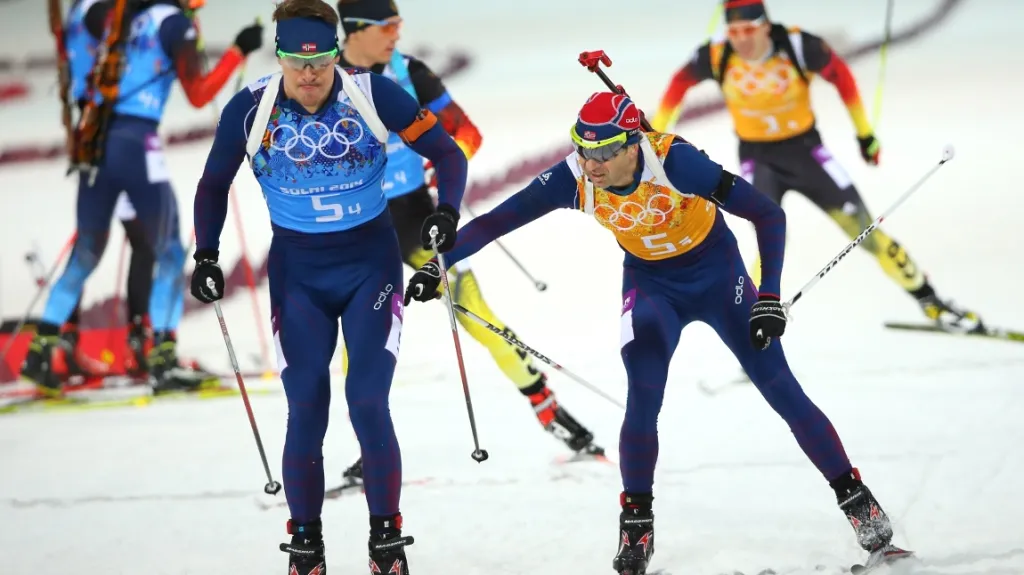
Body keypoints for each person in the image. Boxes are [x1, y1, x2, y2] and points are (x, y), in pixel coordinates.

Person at [403, 91, 912, 574]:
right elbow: (495, 222)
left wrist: (770, 296)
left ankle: (860, 504)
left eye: (602, 152)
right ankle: (636, 528)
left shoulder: (677, 163)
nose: (590, 164)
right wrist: (438, 265)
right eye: (582, 150)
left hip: (720, 277)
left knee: (780, 387)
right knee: (642, 400)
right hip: (651, 288)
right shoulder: (574, 176)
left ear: (632, 145)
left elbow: (767, 213)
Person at [188, 1, 466, 573]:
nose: (310, 76)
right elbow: (213, 183)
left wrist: (448, 212)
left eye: (320, 63)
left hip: (371, 266)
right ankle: (306, 546)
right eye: (297, 64)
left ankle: (386, 542)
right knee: (307, 404)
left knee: (367, 399)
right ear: (282, 58)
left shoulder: (374, 94)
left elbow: (448, 152)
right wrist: (207, 253)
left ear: (337, 54)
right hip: (300, 275)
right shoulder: (251, 107)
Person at [330, 0, 603, 491]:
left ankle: (548, 408)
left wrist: (442, 162)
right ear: (355, 29)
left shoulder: (410, 72)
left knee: (473, 307)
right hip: (357, 227)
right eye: (387, 25)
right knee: (358, 337)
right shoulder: (322, 78)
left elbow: (466, 135)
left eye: (399, 23)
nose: (398, 33)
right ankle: (367, 449)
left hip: (414, 217)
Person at [651, 0, 983, 333]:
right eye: (734, 32)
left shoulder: (798, 45)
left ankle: (932, 303)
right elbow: (678, 86)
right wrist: (656, 141)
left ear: (766, 25)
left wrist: (864, 134)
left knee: (865, 232)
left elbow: (842, 77)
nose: (741, 40)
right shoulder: (716, 54)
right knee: (767, 242)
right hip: (758, 158)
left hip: (806, 154)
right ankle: (747, 328)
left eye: (749, 30)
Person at [21, 0, 260, 396]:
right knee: (168, 251)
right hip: (136, 143)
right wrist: (239, 50)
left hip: (95, 141)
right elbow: (199, 93)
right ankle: (163, 360)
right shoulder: (172, 22)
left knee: (87, 251)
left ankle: (41, 350)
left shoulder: (118, 13)